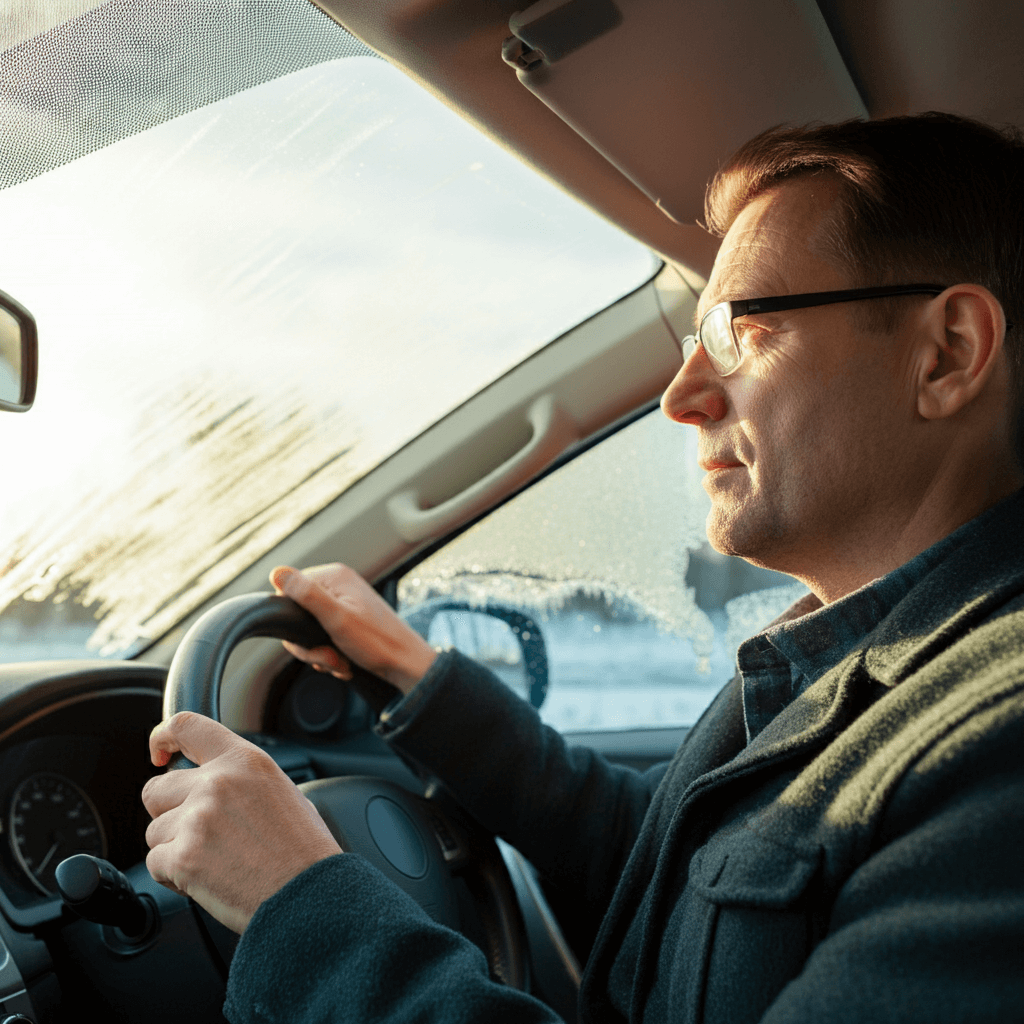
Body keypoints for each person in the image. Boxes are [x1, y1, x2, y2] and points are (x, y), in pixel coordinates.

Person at [142, 112, 1024, 1023]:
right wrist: (416, 676)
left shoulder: (999, 745)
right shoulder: (837, 659)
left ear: (947, 353)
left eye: (741, 330)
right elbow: (652, 858)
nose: (682, 396)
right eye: (693, 341)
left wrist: (306, 912)